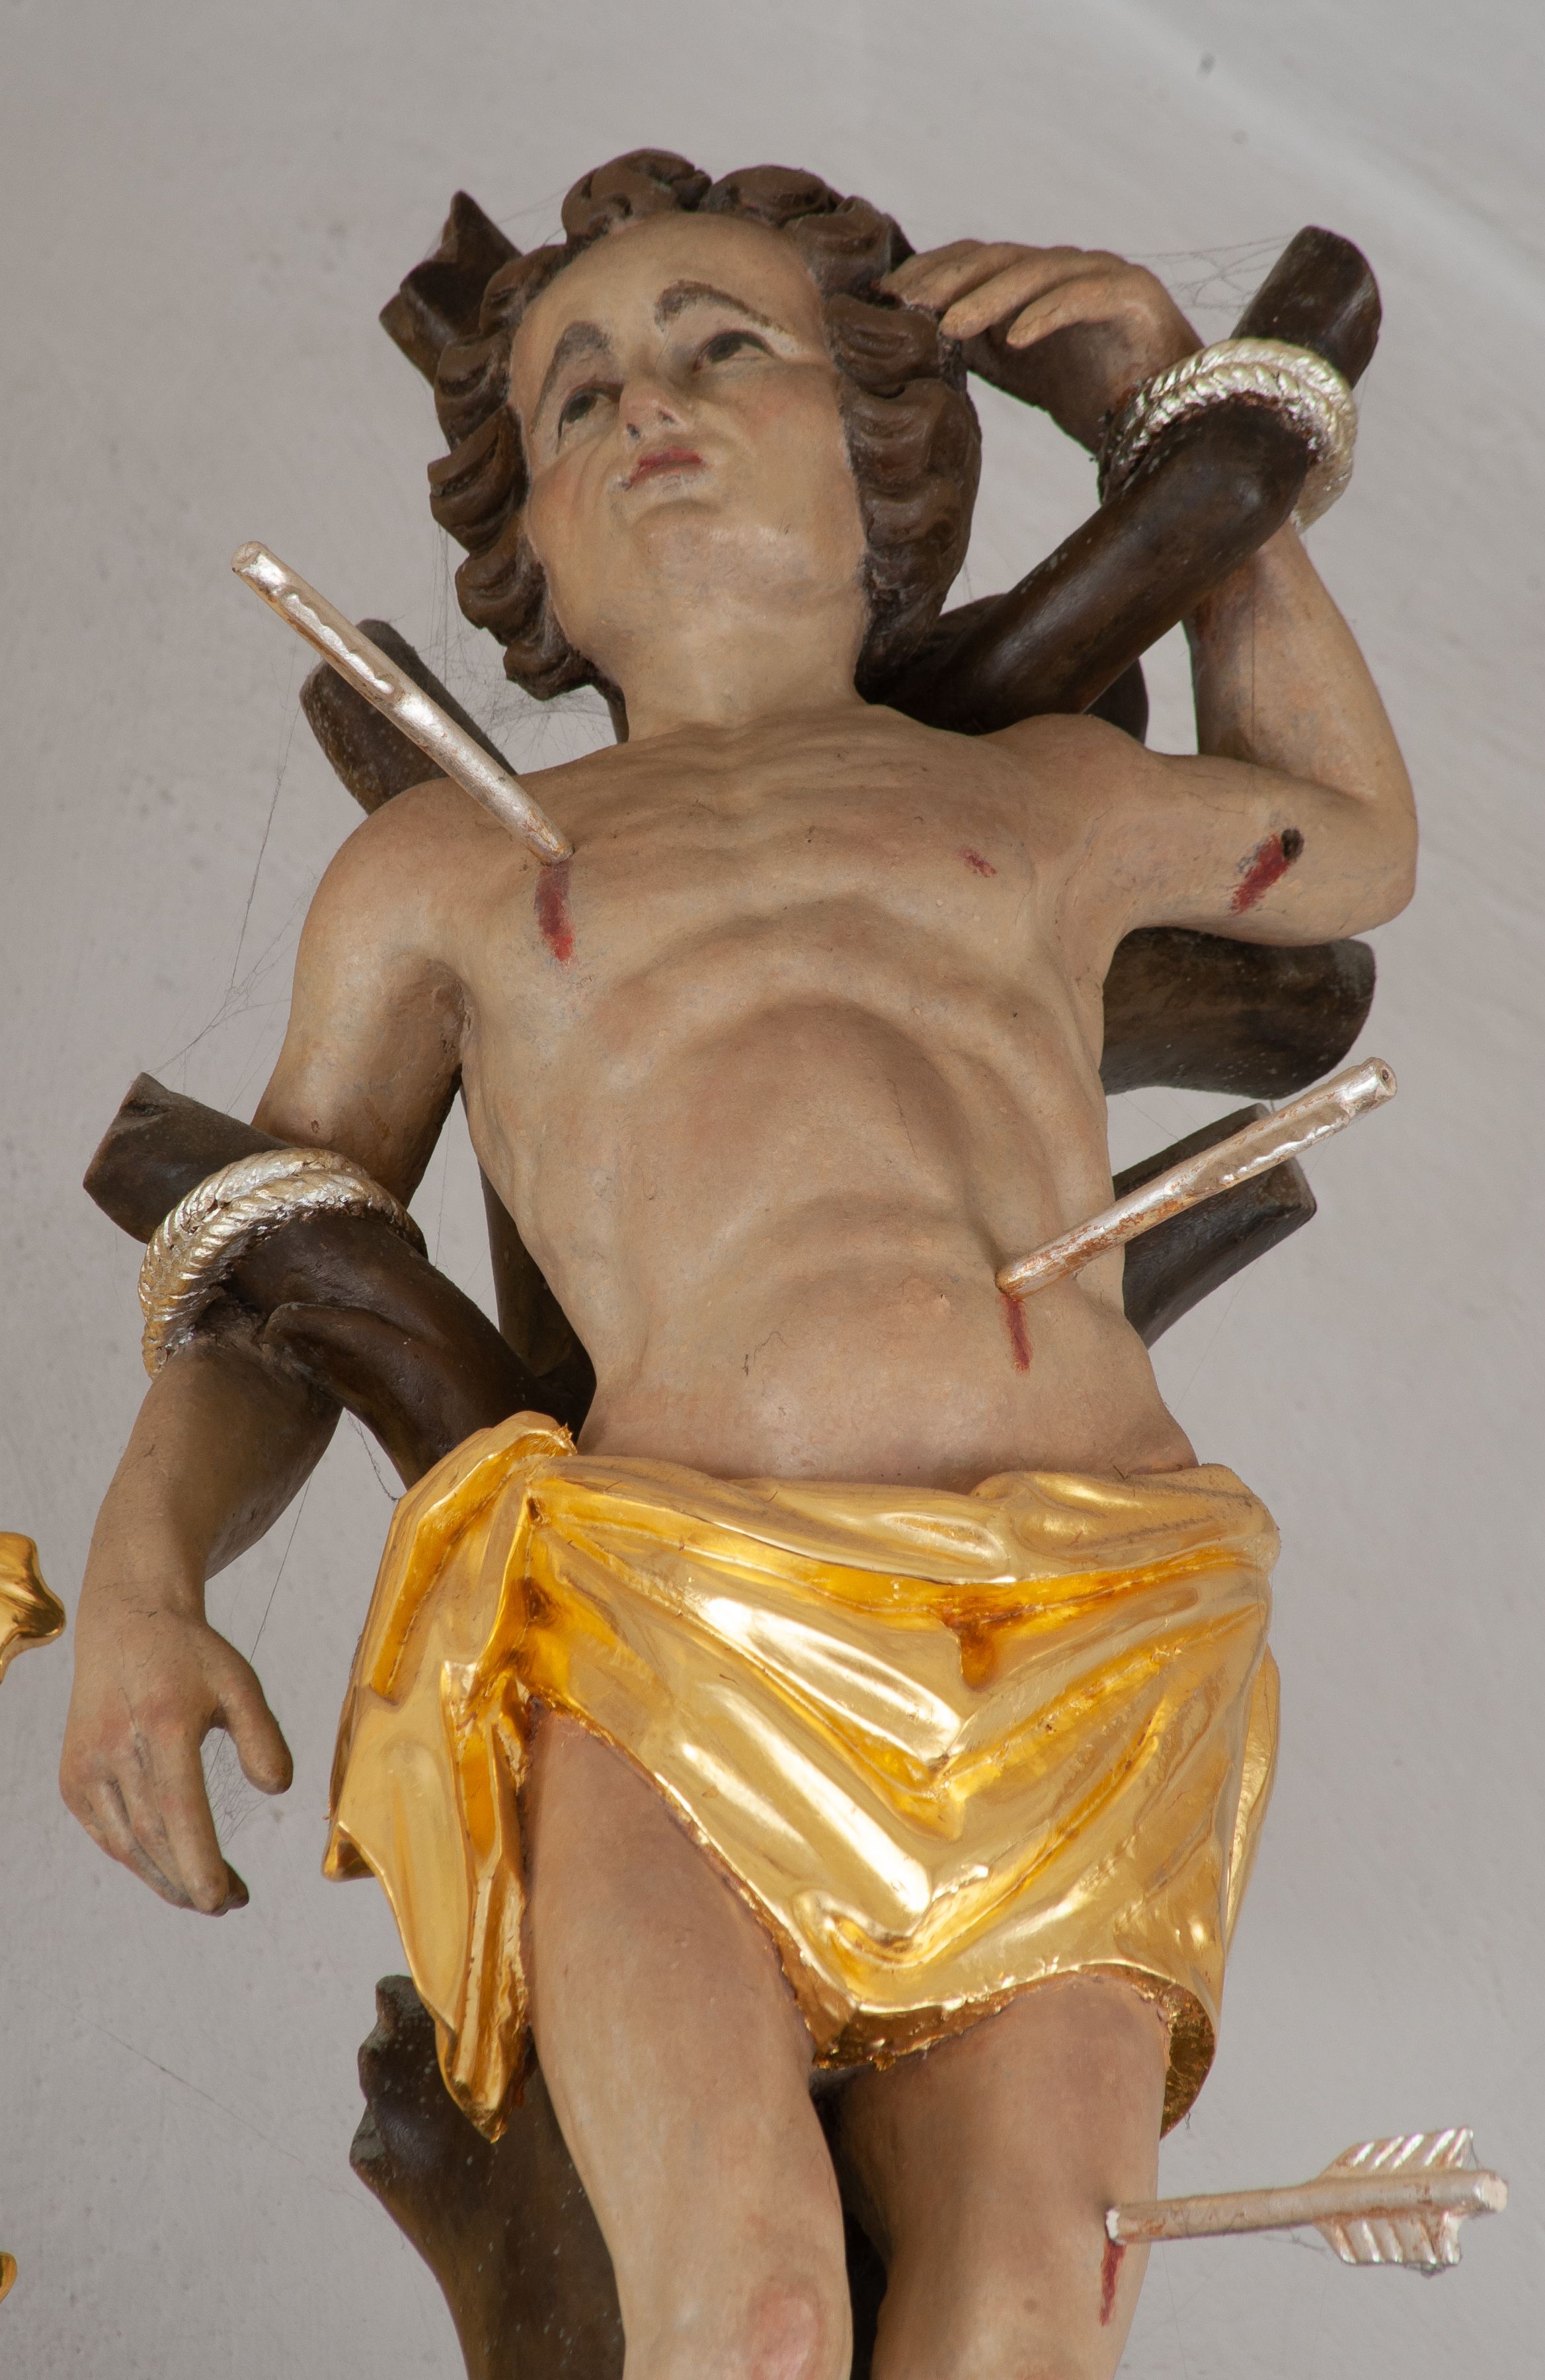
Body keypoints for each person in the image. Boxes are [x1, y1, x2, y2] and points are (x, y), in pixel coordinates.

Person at [61, 155, 1415, 2380]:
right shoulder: (441, 872)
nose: (647, 406)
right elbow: (277, 1269)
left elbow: (1348, 843)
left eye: (720, 346)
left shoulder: (1040, 799)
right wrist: (143, 1577)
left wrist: (1173, 412)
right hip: (667, 1628)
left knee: (1022, 2322)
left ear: (884, 445)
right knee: (753, 2314)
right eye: (575, 391)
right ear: (524, 532)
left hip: (1082, 1628)